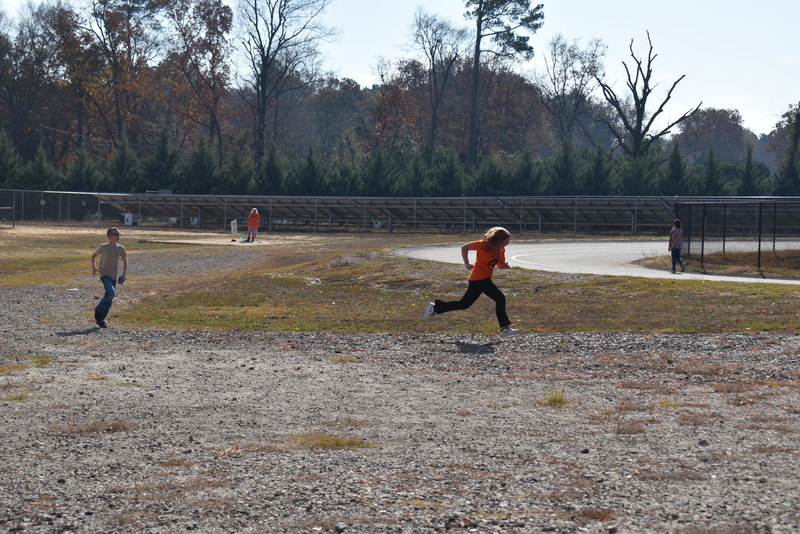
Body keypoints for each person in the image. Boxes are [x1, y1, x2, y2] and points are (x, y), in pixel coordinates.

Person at [423, 226, 519, 337]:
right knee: (500, 298)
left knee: (464, 304)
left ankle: (435, 308)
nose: (507, 243)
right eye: (506, 241)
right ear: (498, 239)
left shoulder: (501, 250)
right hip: (480, 278)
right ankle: (504, 328)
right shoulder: (483, 244)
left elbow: (499, 265)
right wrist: (467, 263)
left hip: (481, 279)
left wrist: (503, 266)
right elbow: (464, 247)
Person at [91, 227, 128, 328]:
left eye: (118, 234)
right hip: (104, 274)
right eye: (115, 234)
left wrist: (124, 274)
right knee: (111, 292)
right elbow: (93, 255)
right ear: (109, 236)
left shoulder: (120, 248)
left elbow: (125, 261)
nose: (117, 236)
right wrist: (94, 267)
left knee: (110, 298)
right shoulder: (103, 247)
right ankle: (99, 309)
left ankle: (101, 320)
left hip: (114, 276)